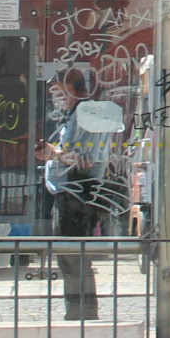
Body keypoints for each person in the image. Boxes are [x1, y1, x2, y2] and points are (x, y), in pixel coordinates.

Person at [42, 71, 108, 318]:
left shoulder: (88, 114)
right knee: (70, 257)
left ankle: (81, 313)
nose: (55, 97)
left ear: (71, 87)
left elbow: (87, 160)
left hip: (76, 192)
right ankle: (80, 310)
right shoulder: (78, 115)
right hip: (70, 192)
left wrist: (53, 154)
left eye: (58, 90)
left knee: (73, 257)